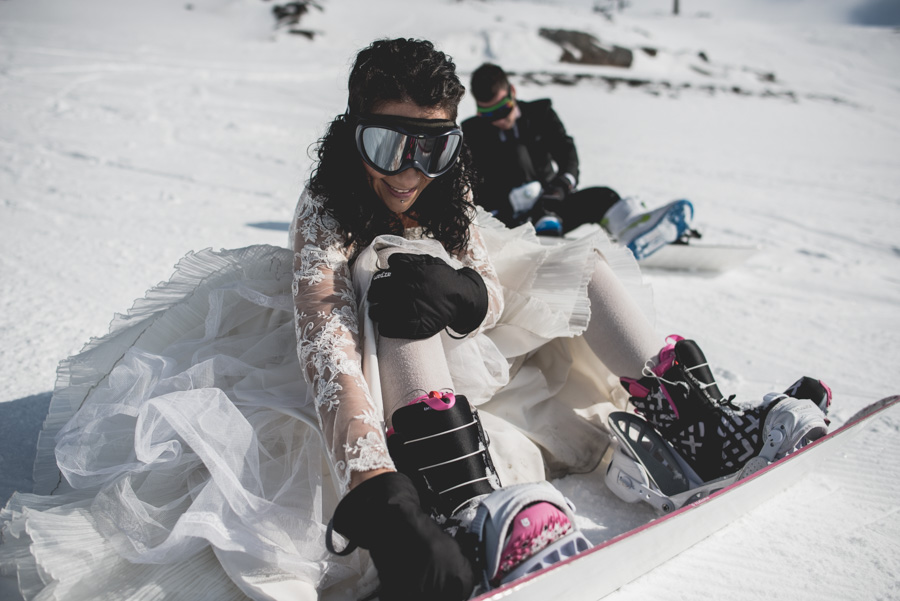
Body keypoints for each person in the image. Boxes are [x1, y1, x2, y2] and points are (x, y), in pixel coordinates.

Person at [0, 38, 830, 601]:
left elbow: (489, 275)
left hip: (458, 343)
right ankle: (466, 502)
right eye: (388, 146)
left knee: (579, 256)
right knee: (388, 275)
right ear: (351, 134)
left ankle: (696, 421)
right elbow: (325, 341)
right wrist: (377, 498)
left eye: (430, 149)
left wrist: (470, 293)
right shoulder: (327, 204)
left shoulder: (447, 181)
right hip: (368, 372)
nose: (409, 173)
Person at [462, 62, 695, 259]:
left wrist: (564, 183)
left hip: (552, 204)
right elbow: (470, 181)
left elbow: (565, 149)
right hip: (508, 221)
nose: (499, 121)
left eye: (503, 110)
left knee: (604, 196)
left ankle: (635, 229)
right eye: (489, 115)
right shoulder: (472, 132)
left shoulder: (539, 114)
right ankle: (543, 222)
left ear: (513, 92)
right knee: (515, 153)